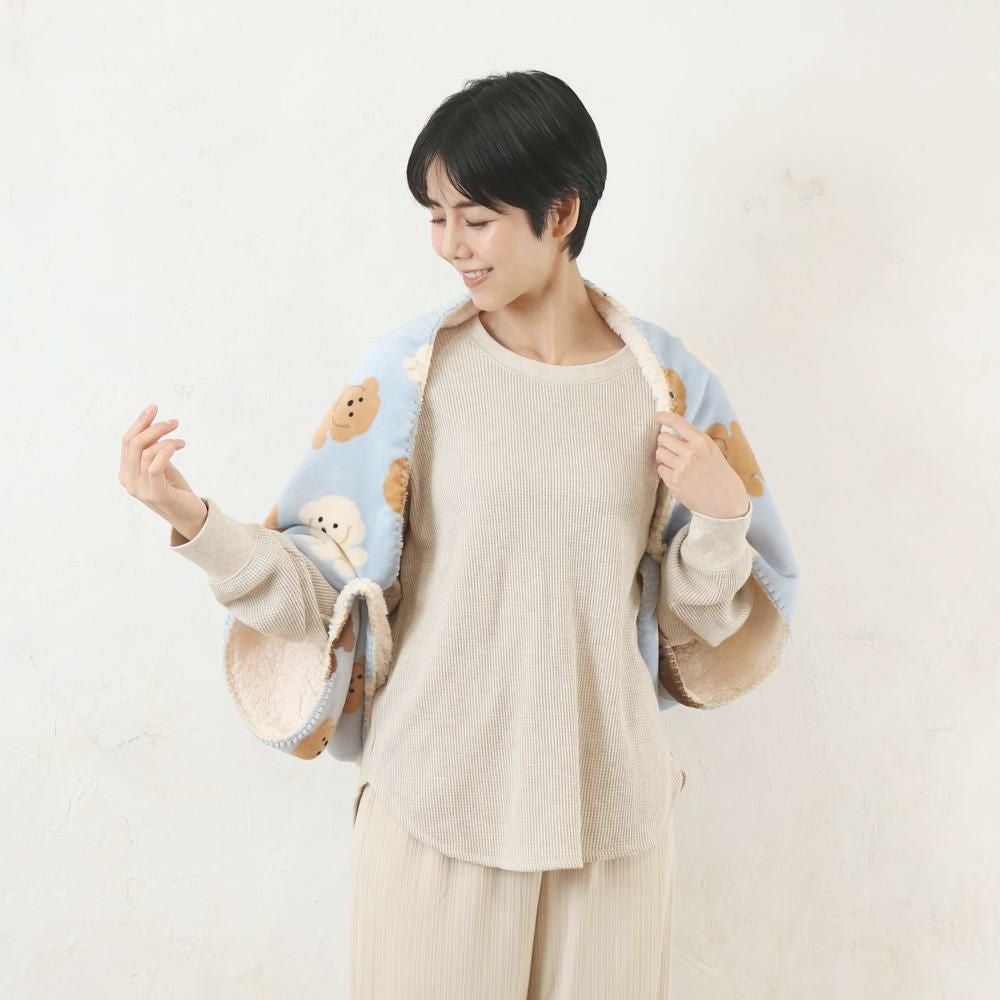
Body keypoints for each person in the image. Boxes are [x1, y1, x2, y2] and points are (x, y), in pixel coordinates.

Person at [119, 70, 757, 999]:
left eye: (476, 218)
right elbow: (324, 595)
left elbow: (700, 624)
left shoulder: (665, 386)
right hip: (437, 807)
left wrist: (726, 514)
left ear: (562, 211)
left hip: (612, 822)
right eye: (435, 215)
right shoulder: (413, 378)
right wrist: (194, 521)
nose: (450, 245)